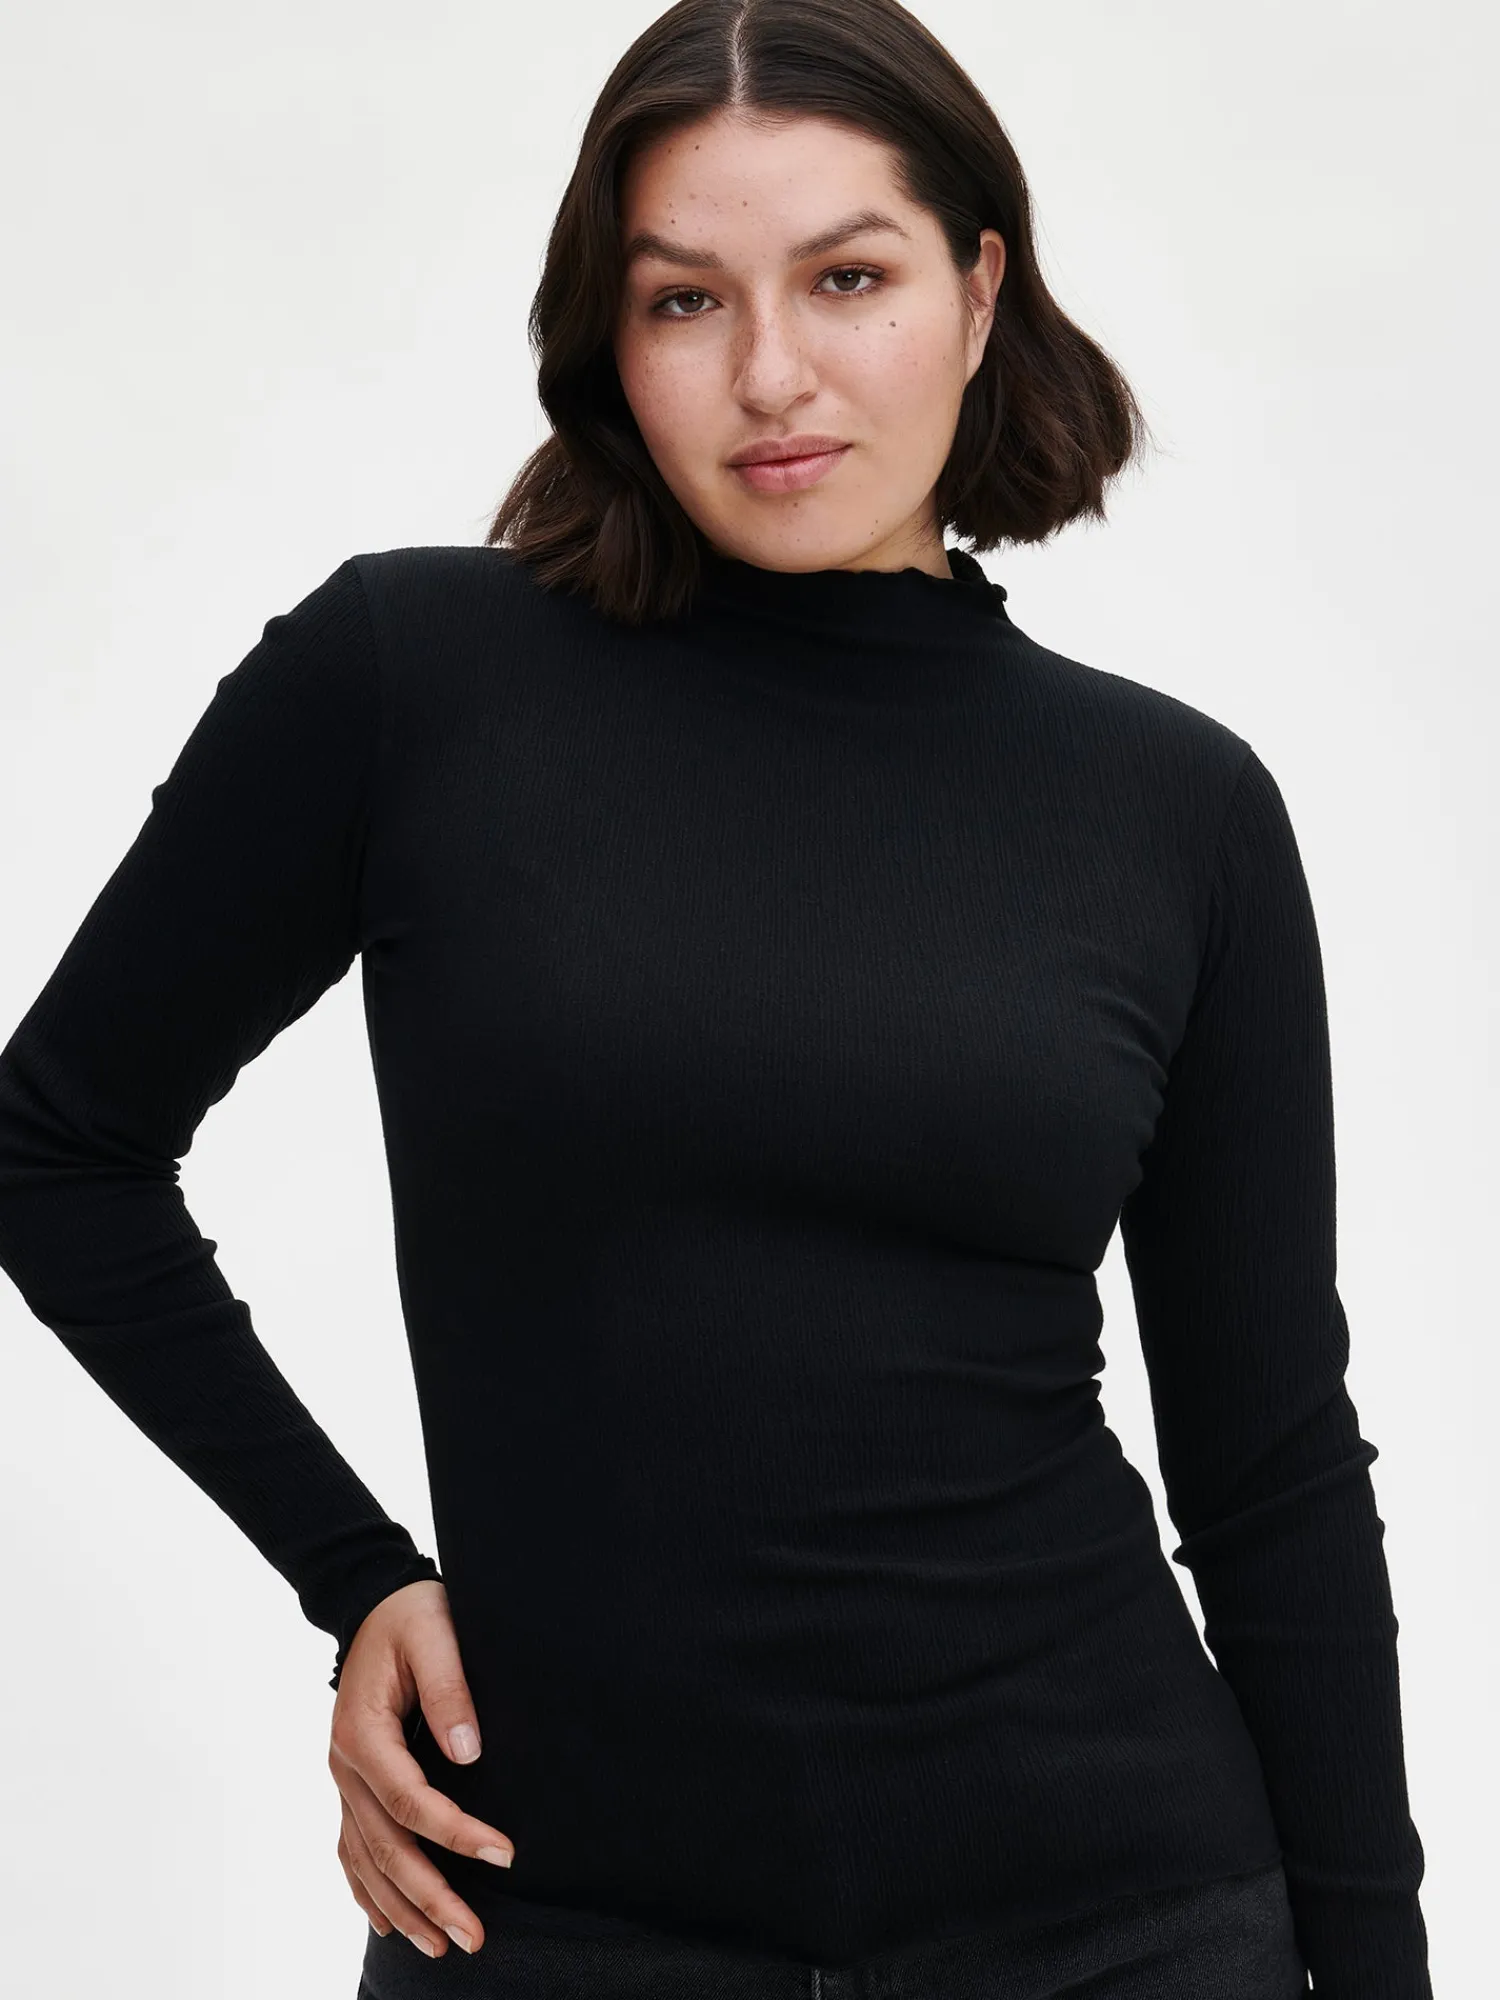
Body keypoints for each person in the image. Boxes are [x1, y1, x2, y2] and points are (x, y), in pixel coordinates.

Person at [0, 2, 1432, 1997]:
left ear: (979, 289)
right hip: (550, 1918)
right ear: (611, 338)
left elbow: (1271, 1464)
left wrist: (1376, 1969)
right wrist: (356, 1576)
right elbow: (55, 1143)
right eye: (685, 300)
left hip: (1116, 1923)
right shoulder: (409, 681)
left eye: (849, 278)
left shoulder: (1175, 807)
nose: (772, 374)